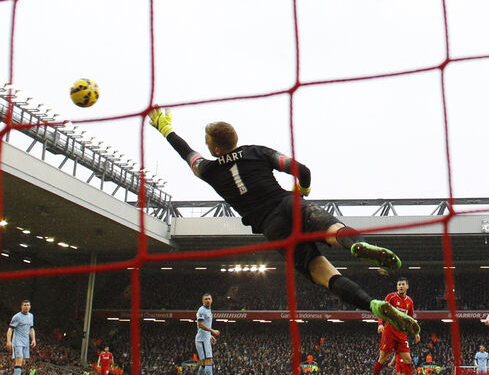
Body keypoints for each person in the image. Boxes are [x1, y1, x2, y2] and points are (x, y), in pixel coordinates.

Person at [147, 108, 418, 337]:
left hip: (273, 227)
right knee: (333, 230)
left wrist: (165, 129)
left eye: (207, 142)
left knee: (325, 274)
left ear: (216, 149)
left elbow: (187, 154)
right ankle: (357, 245)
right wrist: (304, 191)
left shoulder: (208, 170)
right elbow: (302, 170)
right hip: (289, 204)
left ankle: (373, 305)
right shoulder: (256, 151)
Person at [370, 278, 420, 375]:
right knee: (383, 359)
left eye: (403, 284)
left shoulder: (409, 301)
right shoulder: (391, 297)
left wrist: (416, 333)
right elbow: (381, 310)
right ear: (397, 287)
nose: (401, 286)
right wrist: (380, 324)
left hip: (402, 334)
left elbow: (410, 318)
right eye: (399, 285)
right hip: (389, 332)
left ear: (407, 286)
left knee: (408, 359)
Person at [6, 300, 35, 375]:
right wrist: (8, 341)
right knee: (19, 359)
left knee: (22, 362)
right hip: (17, 341)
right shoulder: (17, 317)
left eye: (28, 305)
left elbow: (31, 328)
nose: (26, 306)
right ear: (21, 306)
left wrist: (33, 339)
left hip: (26, 341)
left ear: (30, 306)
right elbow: (10, 329)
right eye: (25, 305)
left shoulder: (31, 316)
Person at [194, 293, 220, 375]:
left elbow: (205, 326)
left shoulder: (209, 310)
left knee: (204, 363)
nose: (208, 300)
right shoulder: (202, 310)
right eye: (206, 299)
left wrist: (210, 336)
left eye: (209, 299)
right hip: (202, 340)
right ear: (202, 301)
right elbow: (200, 324)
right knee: (208, 361)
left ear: (212, 300)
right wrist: (212, 331)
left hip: (205, 338)